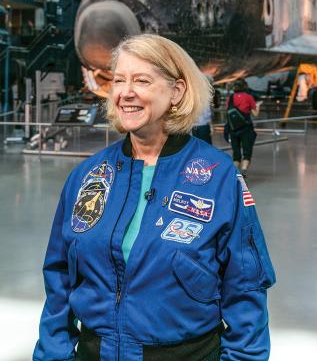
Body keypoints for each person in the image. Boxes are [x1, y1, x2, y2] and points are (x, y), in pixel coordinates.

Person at [33, 34, 275, 361]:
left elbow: (245, 288)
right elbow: (59, 280)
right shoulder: (89, 175)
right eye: (119, 80)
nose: (126, 92)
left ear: (176, 91)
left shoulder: (219, 177)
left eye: (141, 80)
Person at [226, 78, 261, 176]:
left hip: (233, 129)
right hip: (246, 129)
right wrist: (257, 106)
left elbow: (228, 112)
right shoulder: (249, 97)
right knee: (247, 151)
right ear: (245, 86)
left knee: (236, 154)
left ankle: (234, 172)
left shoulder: (230, 98)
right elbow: (255, 114)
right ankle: (244, 169)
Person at [192, 74, 213, 144]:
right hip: (203, 125)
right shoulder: (204, 95)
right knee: (206, 147)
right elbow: (207, 113)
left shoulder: (192, 95)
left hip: (194, 126)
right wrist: (210, 124)